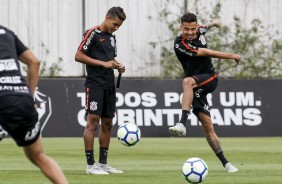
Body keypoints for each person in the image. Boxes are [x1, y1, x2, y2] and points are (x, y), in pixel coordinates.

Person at [168, 12, 240, 173]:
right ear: (181, 27)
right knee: (208, 128)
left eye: (193, 29)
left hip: (209, 78)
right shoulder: (180, 44)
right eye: (186, 29)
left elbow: (205, 26)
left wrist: (215, 22)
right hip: (196, 88)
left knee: (187, 81)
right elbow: (207, 53)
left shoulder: (199, 30)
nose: (190, 32)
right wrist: (232, 55)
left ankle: (182, 123)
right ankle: (226, 164)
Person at [0, 25, 68, 183]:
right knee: (37, 155)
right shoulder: (7, 32)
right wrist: (30, 99)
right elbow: (34, 62)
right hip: (22, 100)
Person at [75, 7, 126, 175]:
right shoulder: (92, 33)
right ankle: (90, 165)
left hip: (109, 85)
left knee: (108, 123)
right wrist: (103, 64)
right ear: (107, 18)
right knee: (93, 122)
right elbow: (78, 55)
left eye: (119, 26)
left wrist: (118, 65)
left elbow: (110, 59)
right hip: (95, 84)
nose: (116, 28)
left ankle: (103, 165)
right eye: (115, 24)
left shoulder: (111, 38)